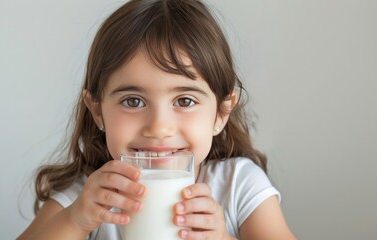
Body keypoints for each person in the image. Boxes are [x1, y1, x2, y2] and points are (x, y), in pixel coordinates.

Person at [18, 0, 296, 239]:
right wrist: (74, 220)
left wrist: (223, 237)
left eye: (185, 101)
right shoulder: (89, 193)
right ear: (98, 110)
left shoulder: (238, 184)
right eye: (133, 101)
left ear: (221, 113)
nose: (159, 128)